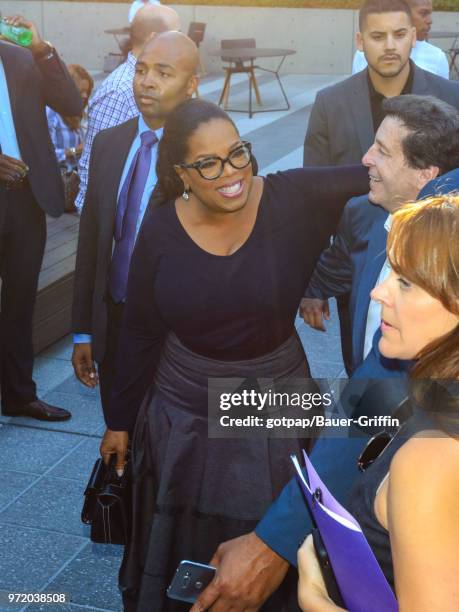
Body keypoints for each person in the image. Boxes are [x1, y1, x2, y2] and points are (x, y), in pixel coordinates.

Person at [191, 94, 459, 612]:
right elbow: (334, 269)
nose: (364, 159)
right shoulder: (366, 216)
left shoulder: (431, 462)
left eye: (381, 151)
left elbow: (371, 404)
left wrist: (284, 558)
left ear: (426, 175)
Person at [99, 97, 368, 611]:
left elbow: (379, 174)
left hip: (276, 395)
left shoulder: (292, 196)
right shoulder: (159, 229)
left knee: (271, 529)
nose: (231, 173)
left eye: (238, 153)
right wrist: (119, 420)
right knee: (186, 545)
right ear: (182, 173)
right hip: (183, 410)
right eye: (209, 163)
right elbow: (138, 333)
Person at [298, 195, 459, 611]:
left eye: (405, 281)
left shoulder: (431, 459)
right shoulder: (434, 401)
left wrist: (315, 600)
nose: (376, 292)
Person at [302, 0, 459, 374]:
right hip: (353, 259)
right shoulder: (331, 103)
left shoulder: (451, 97)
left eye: (399, 34)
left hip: (435, 264)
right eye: (377, 35)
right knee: (361, 367)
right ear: (360, 40)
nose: (389, 45)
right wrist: (312, 285)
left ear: (415, 37)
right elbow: (313, 197)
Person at [71, 32, 199, 423]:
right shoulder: (110, 143)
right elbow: (91, 242)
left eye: (163, 72)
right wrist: (83, 331)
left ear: (192, 85)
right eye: (141, 70)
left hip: (175, 334)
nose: (147, 81)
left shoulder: (205, 152)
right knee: (118, 432)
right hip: (114, 322)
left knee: (167, 445)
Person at [0, 15, 83, 422]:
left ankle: (19, 395)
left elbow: (72, 104)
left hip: (26, 200)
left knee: (19, 303)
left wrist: (41, 50)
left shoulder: (20, 59)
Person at [75, 3, 180, 211]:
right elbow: (95, 163)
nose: (182, 41)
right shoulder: (120, 90)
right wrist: (97, 228)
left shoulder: (154, 81)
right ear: (153, 38)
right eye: (176, 34)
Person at [352, 0, 450, 79]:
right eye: (423, 13)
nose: (430, 21)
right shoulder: (362, 55)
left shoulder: (437, 57)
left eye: (400, 35)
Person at [46, 64, 93, 172]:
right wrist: (75, 150)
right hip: (57, 178)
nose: (85, 96)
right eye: (81, 91)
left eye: (87, 91)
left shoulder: (77, 113)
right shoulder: (51, 112)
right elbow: (47, 155)